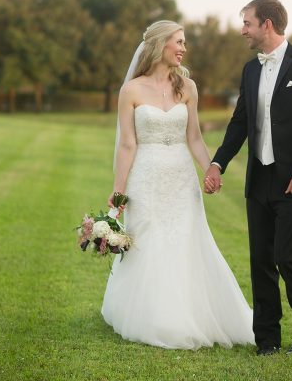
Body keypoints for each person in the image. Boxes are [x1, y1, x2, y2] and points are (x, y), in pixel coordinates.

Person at [101, 20, 254, 350]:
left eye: (184, 43)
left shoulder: (189, 87)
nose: (184, 48)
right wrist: (118, 192)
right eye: (179, 42)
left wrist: (210, 169)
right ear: (159, 45)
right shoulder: (131, 91)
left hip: (182, 178)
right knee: (149, 243)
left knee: (186, 242)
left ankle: (191, 314)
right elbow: (127, 145)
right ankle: (152, 316)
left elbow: (194, 137)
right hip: (146, 177)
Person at [203, 0, 292, 356]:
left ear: (268, 24)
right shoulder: (251, 70)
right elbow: (240, 122)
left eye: (247, 22)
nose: (242, 29)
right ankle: (267, 341)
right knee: (260, 259)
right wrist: (218, 163)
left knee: (289, 257)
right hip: (259, 179)